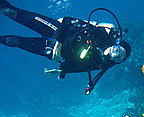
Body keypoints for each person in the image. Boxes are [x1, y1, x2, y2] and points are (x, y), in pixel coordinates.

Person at [0, 0, 131, 95]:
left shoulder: (103, 63)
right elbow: (67, 20)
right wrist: (58, 42)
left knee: (14, 41)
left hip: (53, 52)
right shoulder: (102, 34)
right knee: (11, 12)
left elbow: (82, 68)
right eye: (118, 50)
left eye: (119, 58)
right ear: (116, 44)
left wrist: (62, 71)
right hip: (57, 31)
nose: (116, 55)